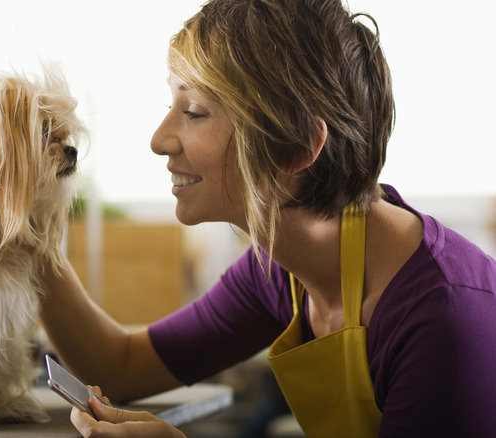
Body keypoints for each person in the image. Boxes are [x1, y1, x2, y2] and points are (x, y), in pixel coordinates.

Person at [39, 0, 496, 436]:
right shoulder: (281, 271)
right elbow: (120, 365)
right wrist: (29, 234)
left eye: (195, 111)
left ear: (295, 147)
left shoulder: (443, 317)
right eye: (171, 108)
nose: (160, 140)